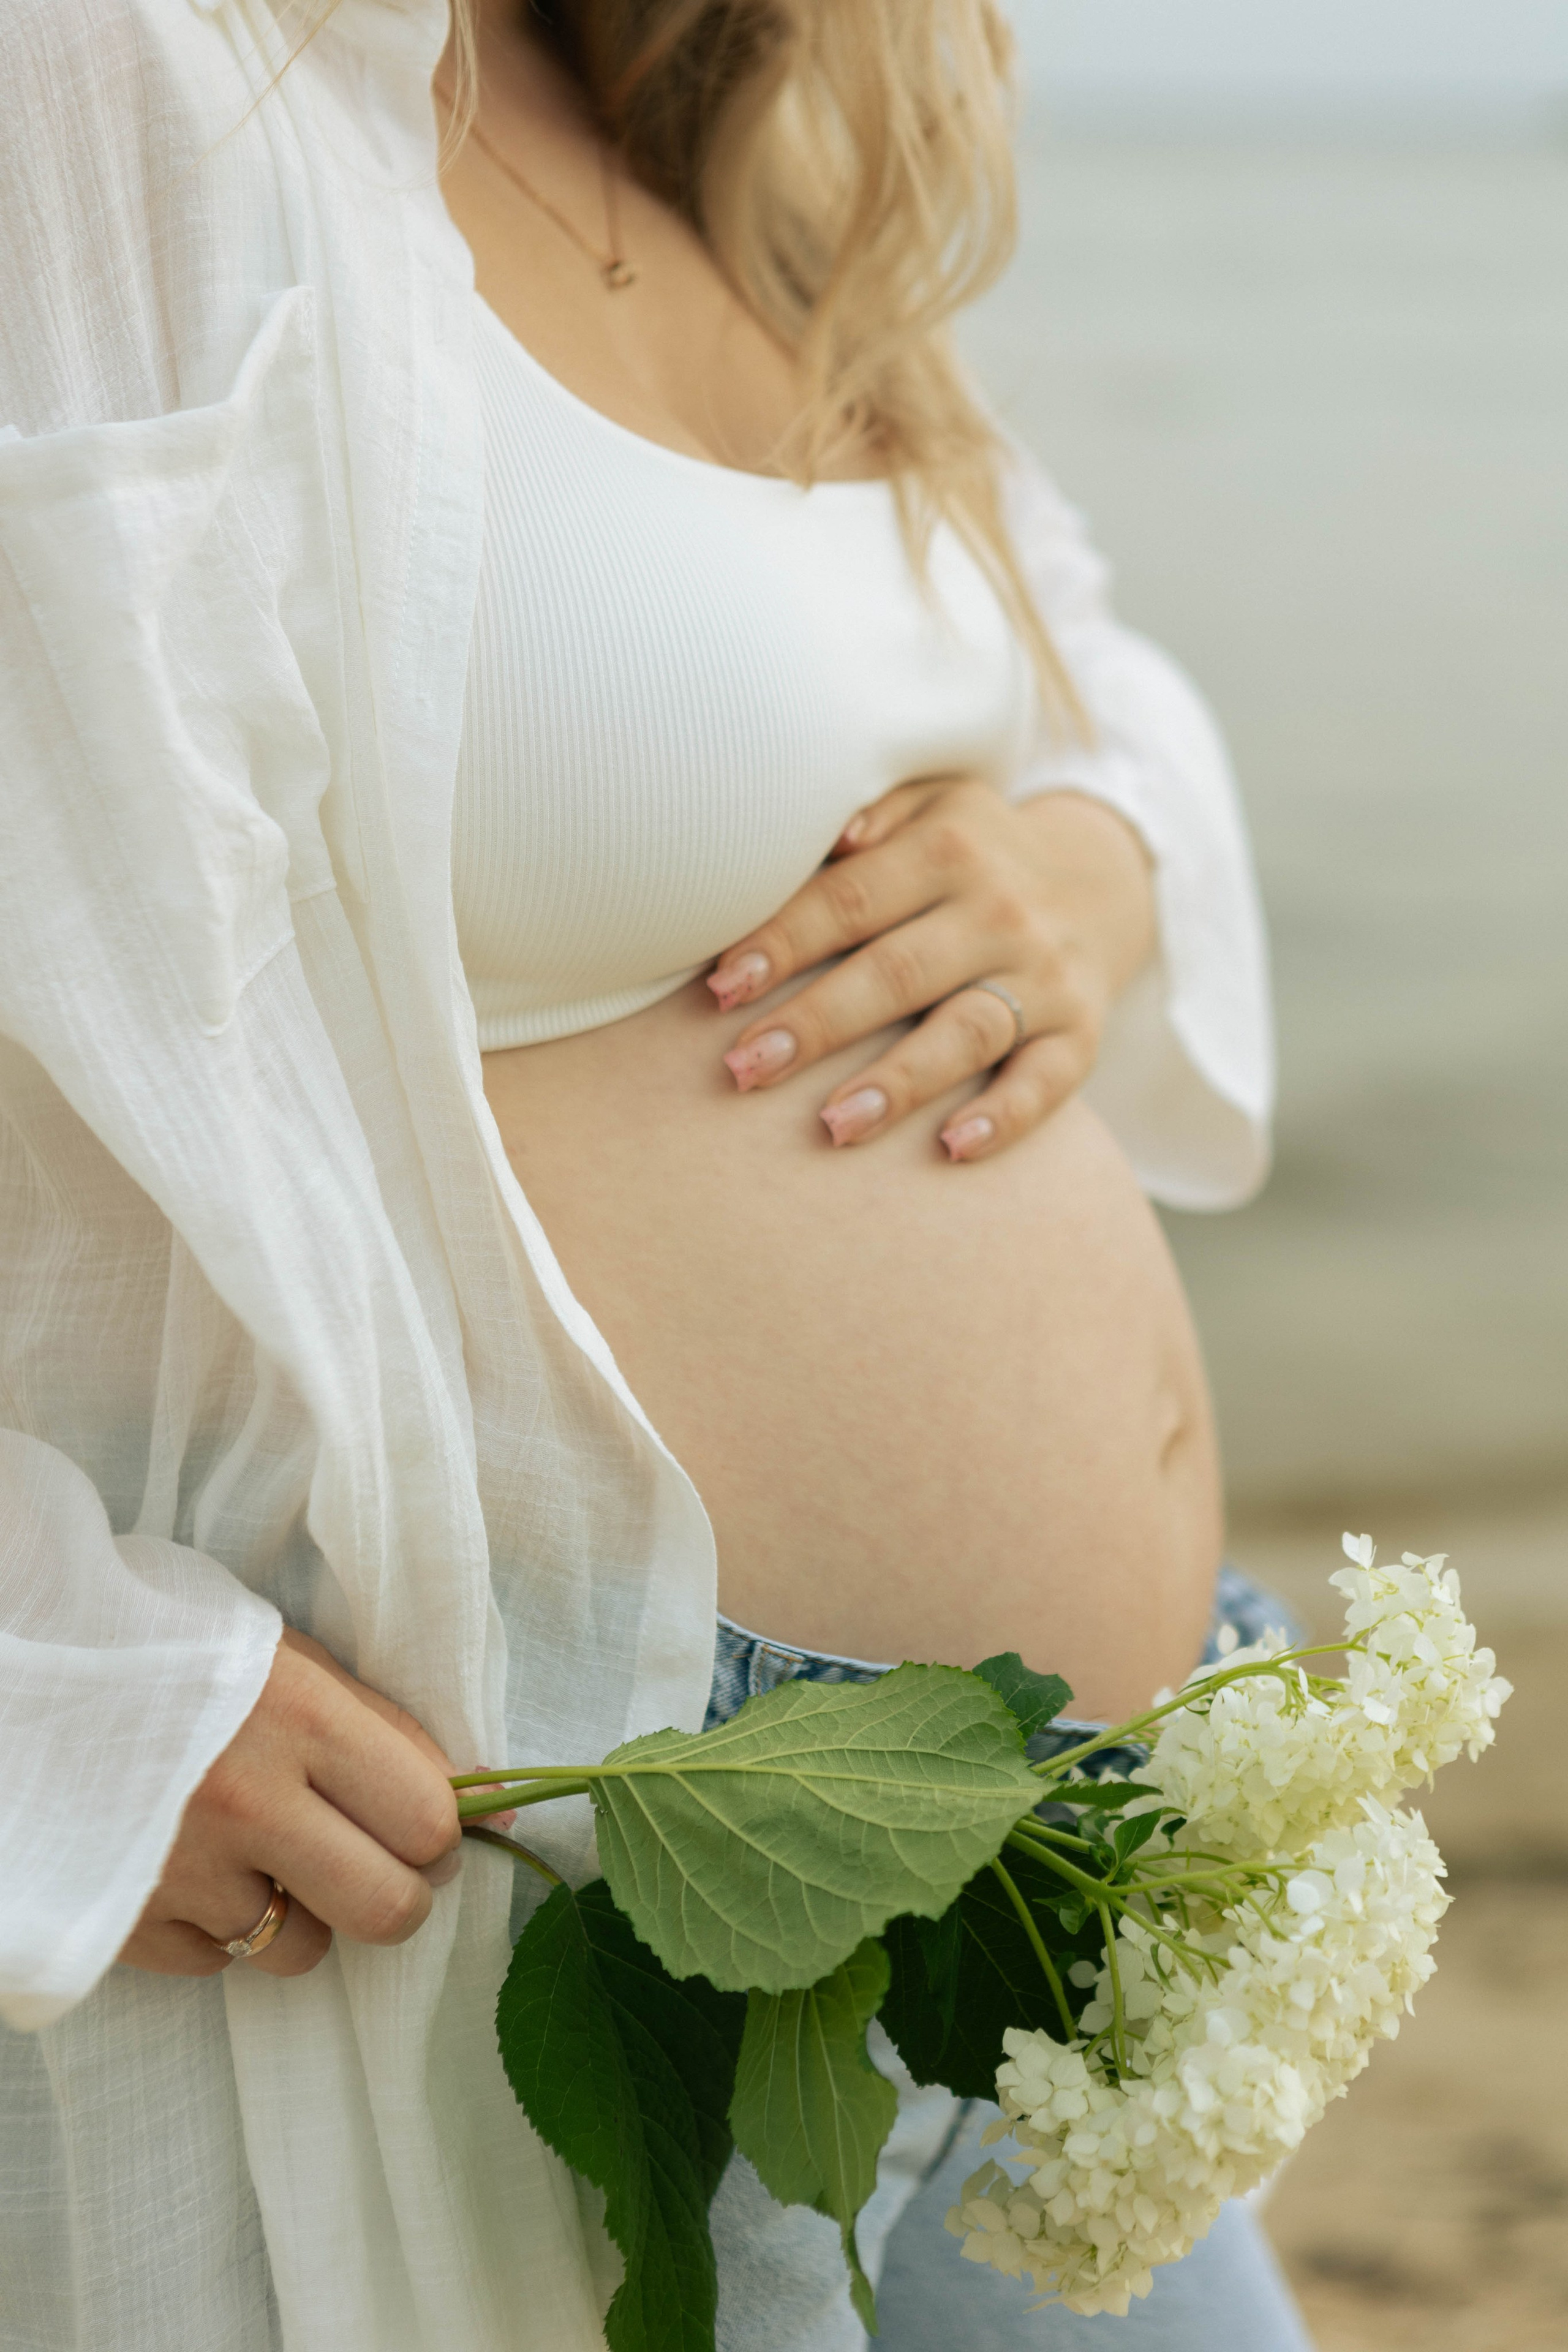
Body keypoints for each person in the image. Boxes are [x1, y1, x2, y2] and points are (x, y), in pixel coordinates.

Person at [0, 2, 1305, 2346]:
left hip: (1082, 1861)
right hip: (565, 1875)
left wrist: (1089, 866)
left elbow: (1084, 666)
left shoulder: (711, 121)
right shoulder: (110, 80)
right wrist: (49, 1689)